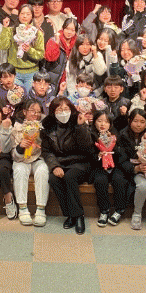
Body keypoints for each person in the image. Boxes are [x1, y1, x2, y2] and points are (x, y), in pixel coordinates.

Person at [41, 96, 93, 235]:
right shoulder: (47, 127)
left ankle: (79, 215)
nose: (63, 112)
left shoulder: (78, 122)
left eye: (66, 109)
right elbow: (46, 151)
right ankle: (70, 214)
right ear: (53, 112)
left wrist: (81, 126)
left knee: (69, 177)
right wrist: (54, 166)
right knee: (53, 179)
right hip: (61, 162)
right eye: (59, 109)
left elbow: (87, 147)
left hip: (80, 162)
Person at [11, 99, 49, 226]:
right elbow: (13, 155)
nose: (35, 114)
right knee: (19, 170)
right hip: (21, 159)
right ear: (24, 112)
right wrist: (20, 147)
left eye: (38, 111)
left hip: (37, 158)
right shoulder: (16, 127)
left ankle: (41, 209)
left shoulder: (43, 127)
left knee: (43, 170)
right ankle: (22, 208)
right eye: (32, 111)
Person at [89, 110, 128, 227]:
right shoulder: (91, 135)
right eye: (99, 121)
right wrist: (98, 155)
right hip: (99, 166)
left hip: (115, 166)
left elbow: (122, 154)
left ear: (110, 124)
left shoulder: (115, 135)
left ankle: (119, 210)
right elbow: (88, 154)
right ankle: (104, 211)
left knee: (119, 180)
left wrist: (112, 150)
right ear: (94, 122)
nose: (102, 124)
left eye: (106, 122)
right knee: (100, 180)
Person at [0, 3, 45, 93]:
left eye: (28, 14)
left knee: (29, 98)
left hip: (31, 73)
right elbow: (2, 46)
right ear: (18, 15)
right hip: (14, 73)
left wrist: (29, 50)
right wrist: (5, 28)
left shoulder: (37, 33)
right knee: (15, 98)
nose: (25, 16)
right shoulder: (11, 30)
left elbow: (40, 55)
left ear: (32, 16)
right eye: (22, 13)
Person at [44, 18, 78, 87]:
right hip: (53, 78)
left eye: (72, 30)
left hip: (69, 79)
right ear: (63, 28)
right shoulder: (53, 40)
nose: (69, 32)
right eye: (67, 29)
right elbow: (51, 58)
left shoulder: (77, 43)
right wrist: (56, 43)